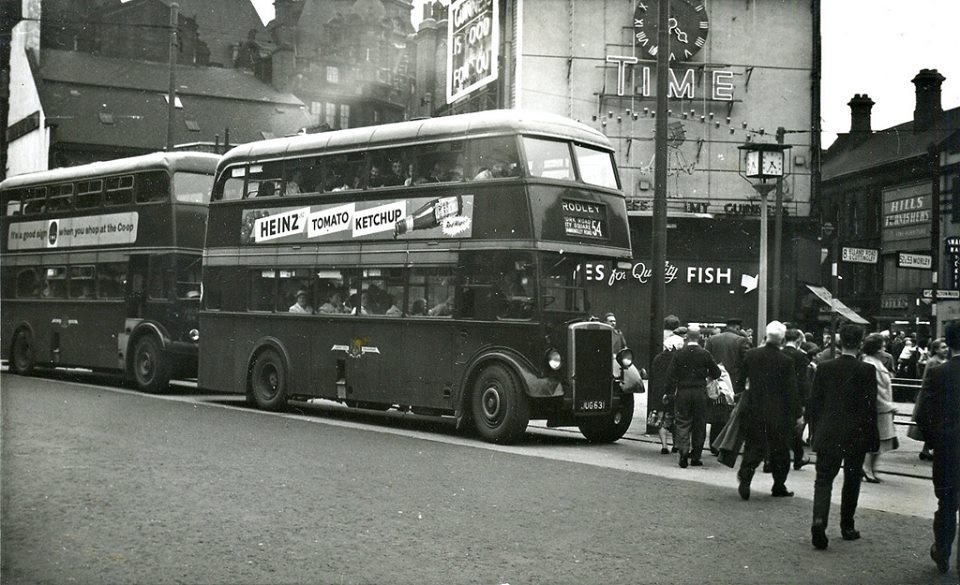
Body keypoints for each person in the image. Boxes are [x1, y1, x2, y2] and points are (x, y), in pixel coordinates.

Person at [808, 323, 879, 550]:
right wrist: (872, 437)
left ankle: (819, 520)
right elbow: (870, 408)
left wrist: (813, 430)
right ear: (860, 343)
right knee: (851, 480)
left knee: (823, 479)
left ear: (839, 342)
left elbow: (814, 404)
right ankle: (847, 526)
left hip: (828, 432)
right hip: (856, 434)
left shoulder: (824, 368)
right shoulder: (867, 371)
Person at [734, 321, 801, 500]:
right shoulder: (786, 361)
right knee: (780, 451)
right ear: (782, 339)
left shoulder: (752, 355)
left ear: (767, 335)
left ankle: (746, 477)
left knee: (753, 446)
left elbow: (740, 381)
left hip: (754, 409)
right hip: (779, 413)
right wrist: (797, 415)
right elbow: (791, 391)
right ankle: (778, 485)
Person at [916, 322, 960, 574]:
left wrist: (935, 441)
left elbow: (922, 414)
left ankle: (942, 552)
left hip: (948, 451)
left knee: (946, 505)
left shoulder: (937, 373)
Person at [665, 324, 722, 468]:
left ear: (687, 337)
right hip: (700, 392)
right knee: (699, 424)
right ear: (699, 337)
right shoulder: (705, 354)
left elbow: (670, 375)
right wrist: (706, 376)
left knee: (683, 422)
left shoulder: (679, 353)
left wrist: (670, 392)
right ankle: (696, 456)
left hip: (683, 392)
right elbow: (717, 373)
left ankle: (683, 452)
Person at [705, 317, 750, 453]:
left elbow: (707, 359)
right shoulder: (741, 341)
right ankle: (725, 444)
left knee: (717, 411)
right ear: (737, 328)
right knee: (730, 414)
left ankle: (713, 444)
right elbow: (747, 361)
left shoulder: (712, 339)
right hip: (734, 382)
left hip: (716, 381)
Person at [860, 333, 897, 483]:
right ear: (876, 349)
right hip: (879, 409)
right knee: (876, 440)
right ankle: (867, 468)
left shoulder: (874, 362)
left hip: (881, 408)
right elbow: (877, 390)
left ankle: (869, 468)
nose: (884, 349)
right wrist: (888, 406)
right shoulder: (873, 365)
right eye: (882, 346)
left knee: (879, 440)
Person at [782, 327, 813, 470]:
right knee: (795, 429)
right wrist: (805, 401)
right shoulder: (801, 356)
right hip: (795, 398)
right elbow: (803, 381)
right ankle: (798, 457)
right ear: (798, 340)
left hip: (779, 396)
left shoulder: (780, 353)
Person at [649, 336, 684, 454]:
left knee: (661, 419)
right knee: (674, 419)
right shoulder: (678, 358)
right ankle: (676, 445)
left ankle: (664, 446)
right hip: (673, 391)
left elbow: (653, 375)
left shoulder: (658, 358)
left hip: (659, 392)